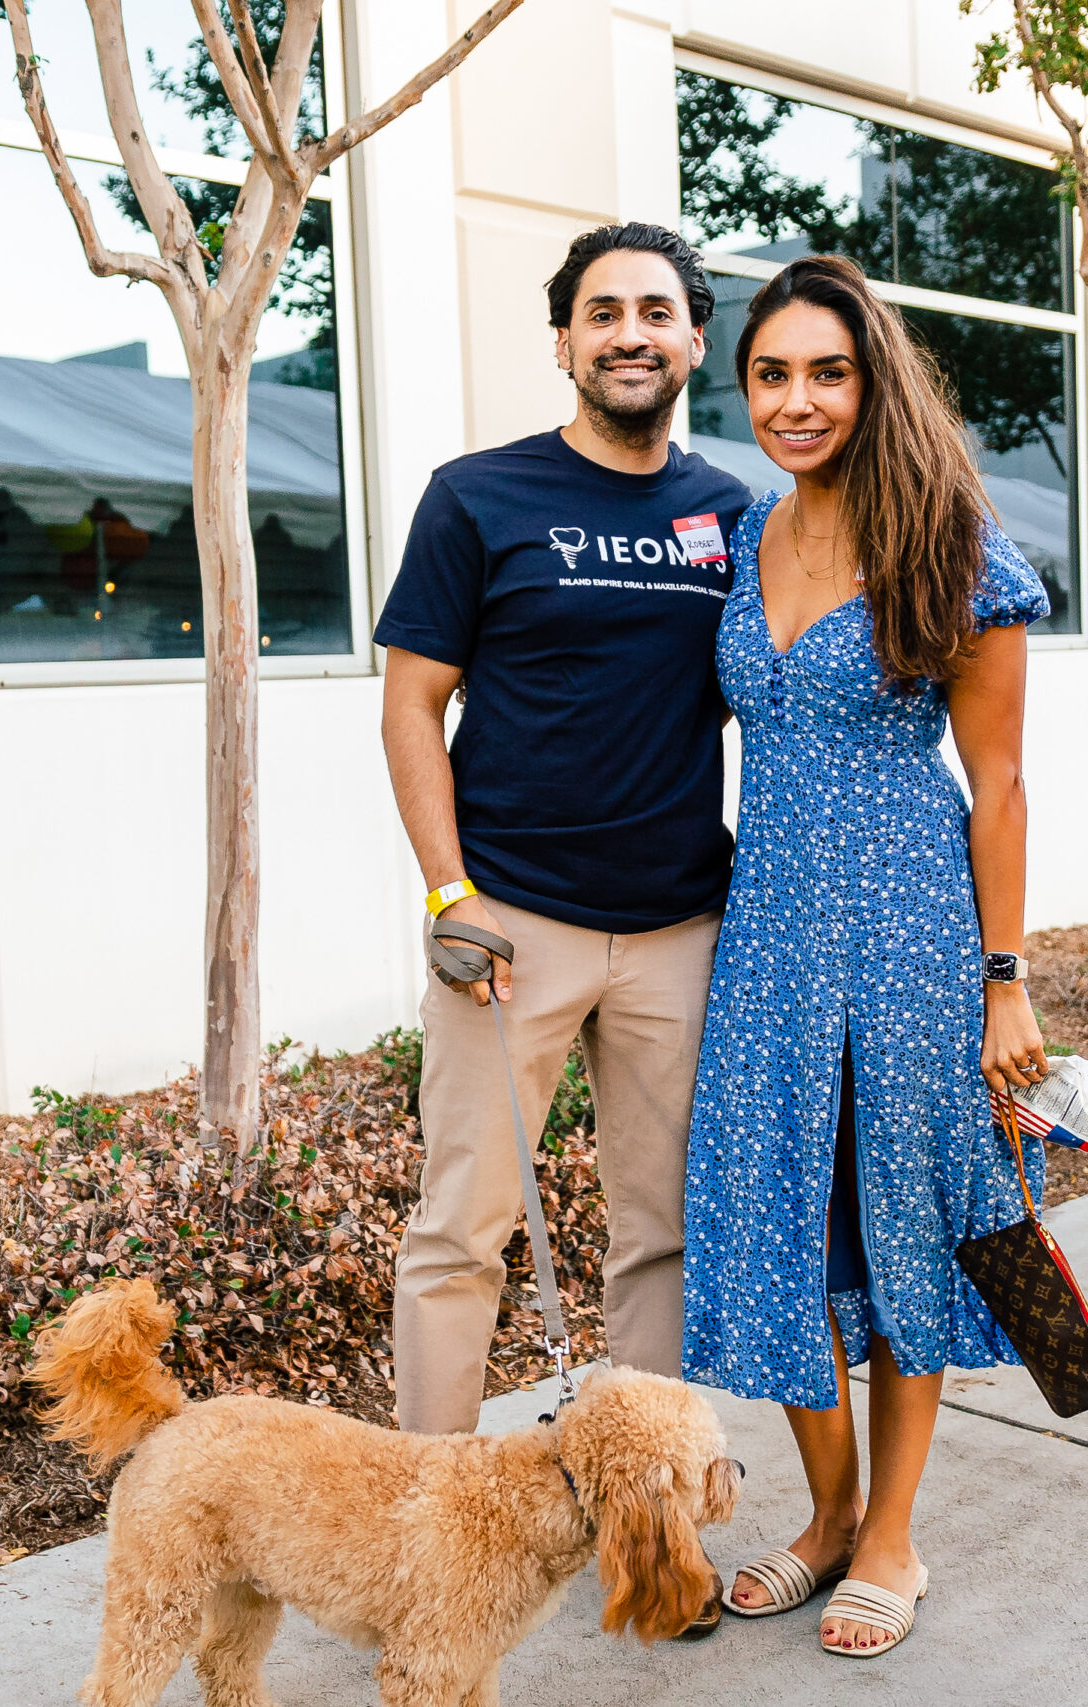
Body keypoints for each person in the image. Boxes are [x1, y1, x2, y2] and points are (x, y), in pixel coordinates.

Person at [681, 255, 1054, 1659]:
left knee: (904, 1222)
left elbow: (1001, 781)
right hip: (767, 933)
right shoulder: (748, 533)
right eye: (771, 373)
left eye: (826, 371)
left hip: (908, 929)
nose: (795, 398)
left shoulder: (952, 541)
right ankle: (826, 1511)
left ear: (872, 378)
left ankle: (892, 1530)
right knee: (778, 1224)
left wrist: (1003, 977)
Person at [373, 222, 749, 1471]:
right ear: (563, 343)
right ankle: (421, 1515)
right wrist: (448, 891)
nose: (629, 333)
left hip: (679, 930)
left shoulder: (732, 515)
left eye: (656, 311)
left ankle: (645, 1509)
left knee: (662, 1234)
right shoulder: (478, 495)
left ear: (695, 339)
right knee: (460, 1231)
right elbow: (411, 705)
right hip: (512, 927)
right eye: (602, 312)